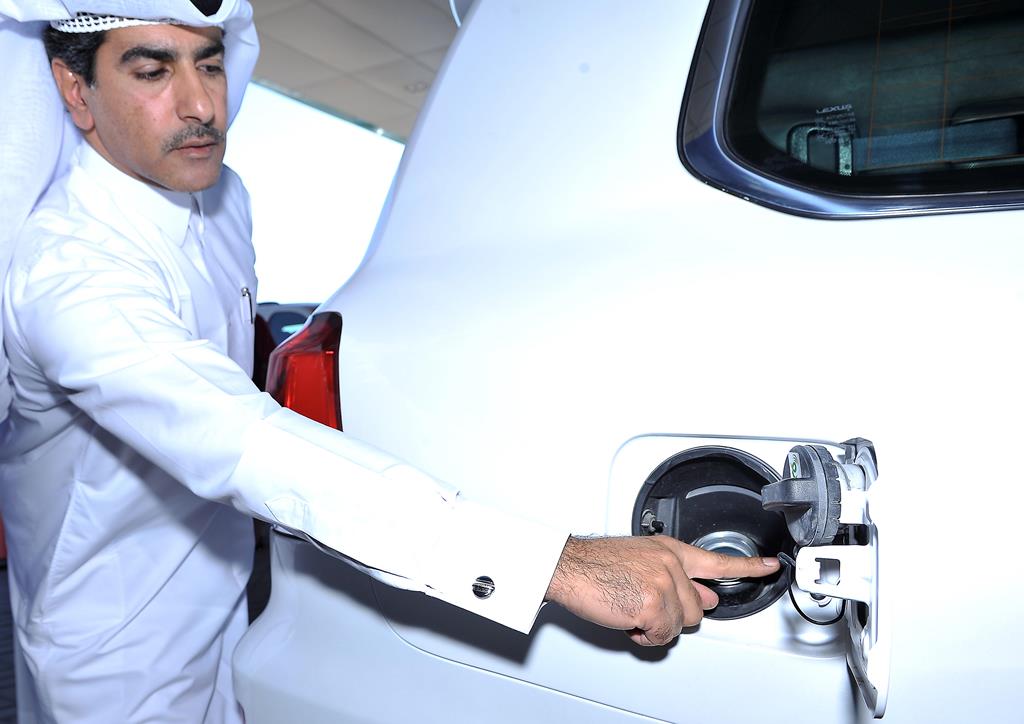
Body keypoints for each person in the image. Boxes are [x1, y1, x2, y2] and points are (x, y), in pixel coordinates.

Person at [0, 2, 780, 722]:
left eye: (208, 62)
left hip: (231, 598)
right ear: (75, 90)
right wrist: (559, 565)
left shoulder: (221, 199)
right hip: (111, 646)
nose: (202, 104)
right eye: (150, 70)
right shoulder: (67, 275)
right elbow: (241, 438)